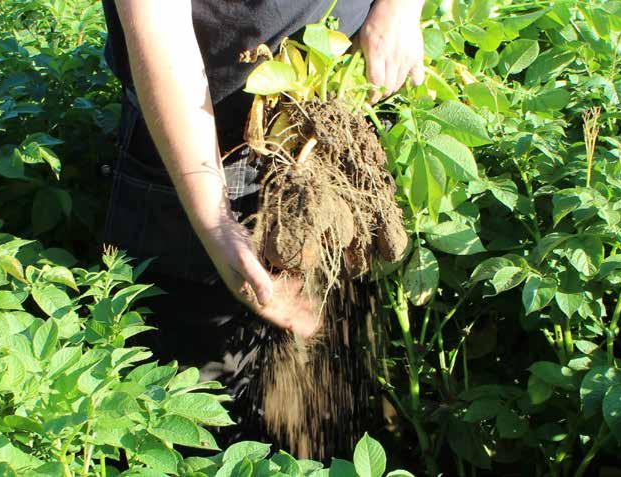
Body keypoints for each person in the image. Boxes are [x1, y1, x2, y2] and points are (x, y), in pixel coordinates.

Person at [100, 0, 425, 449]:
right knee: (194, 403)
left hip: (337, 120)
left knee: (334, 357)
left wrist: (399, 10)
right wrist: (215, 225)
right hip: (201, 133)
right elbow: (160, 30)